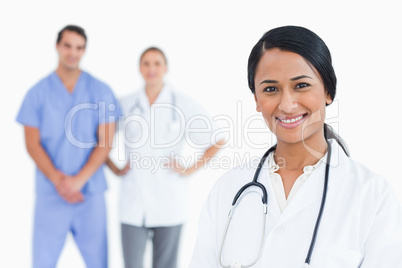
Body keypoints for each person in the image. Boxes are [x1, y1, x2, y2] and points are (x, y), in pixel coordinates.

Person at [190, 26, 402, 267]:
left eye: (301, 85)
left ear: (328, 91)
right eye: (271, 89)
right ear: (257, 101)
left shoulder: (372, 195)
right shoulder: (228, 189)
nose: (287, 105)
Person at [106, 47, 225, 268]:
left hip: (169, 201)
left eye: (157, 63)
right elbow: (99, 137)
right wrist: (113, 167)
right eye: (146, 63)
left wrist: (190, 168)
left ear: (166, 68)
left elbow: (217, 139)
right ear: (139, 68)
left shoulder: (182, 103)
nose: (151, 68)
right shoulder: (126, 103)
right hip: (133, 202)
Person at [16, 25, 121, 268]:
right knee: (42, 262)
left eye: (79, 47)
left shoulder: (100, 91)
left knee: (98, 262)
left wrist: (78, 181)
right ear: (57, 46)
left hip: (90, 193)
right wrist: (59, 181)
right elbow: (32, 144)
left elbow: (105, 143)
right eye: (68, 45)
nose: (73, 52)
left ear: (84, 50)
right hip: (51, 193)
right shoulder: (37, 93)